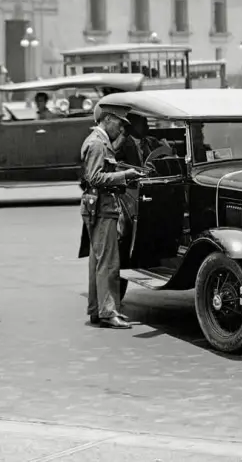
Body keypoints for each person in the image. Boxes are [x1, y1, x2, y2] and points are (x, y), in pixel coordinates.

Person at [78, 106, 142, 329]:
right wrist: (125, 175)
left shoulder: (99, 140)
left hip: (99, 206)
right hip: (102, 207)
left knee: (98, 261)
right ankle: (108, 312)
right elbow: (94, 177)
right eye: (120, 123)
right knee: (109, 263)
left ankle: (98, 309)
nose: (122, 127)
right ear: (107, 119)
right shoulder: (97, 143)